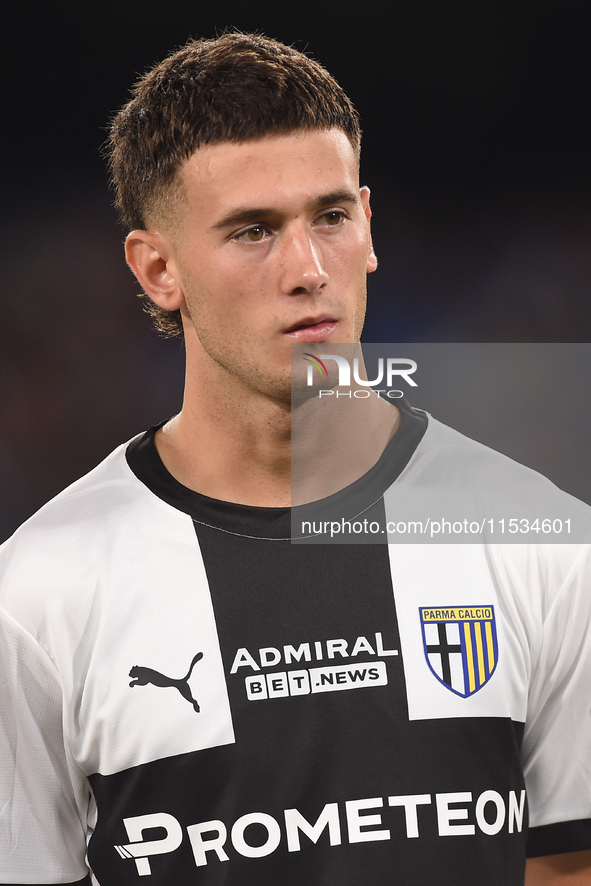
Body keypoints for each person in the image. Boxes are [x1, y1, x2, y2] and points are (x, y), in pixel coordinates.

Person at [1, 32, 590, 886]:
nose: (308, 268)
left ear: (369, 227)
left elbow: (569, 867)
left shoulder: (542, 542)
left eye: (330, 217)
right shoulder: (39, 593)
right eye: (251, 232)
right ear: (158, 268)